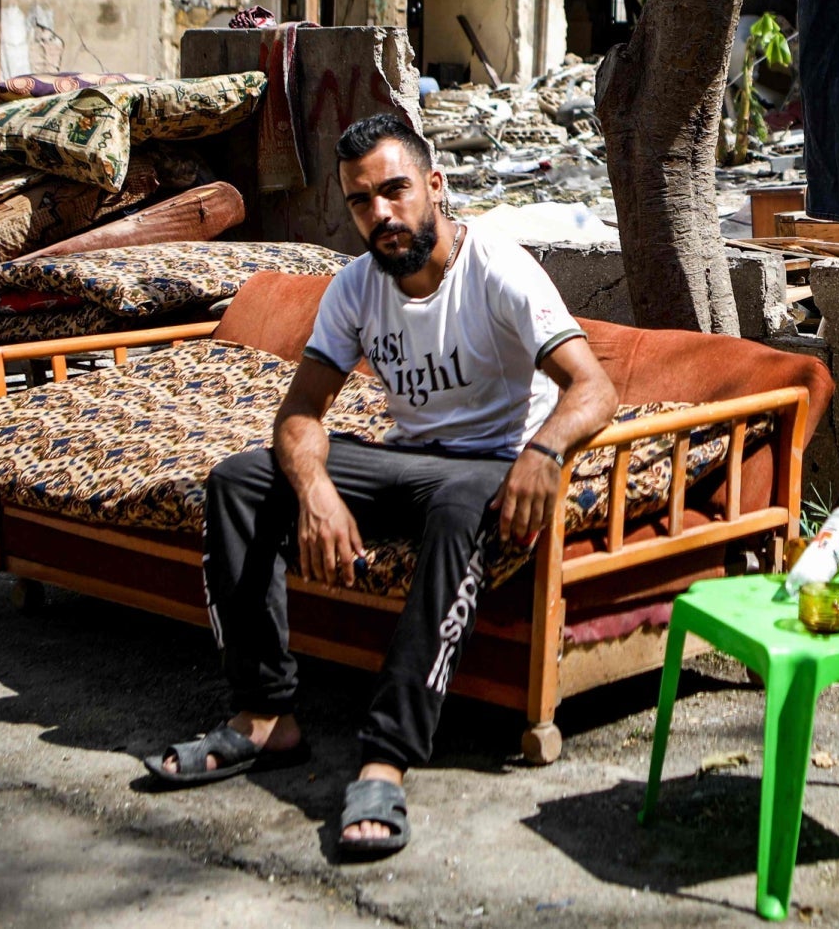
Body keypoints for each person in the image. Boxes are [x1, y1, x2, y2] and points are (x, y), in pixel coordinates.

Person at [142, 110, 618, 861]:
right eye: (362, 201)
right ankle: (265, 715)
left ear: (435, 184)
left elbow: (594, 389)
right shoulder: (358, 285)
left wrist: (546, 451)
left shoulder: (496, 268)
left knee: (464, 506)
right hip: (401, 459)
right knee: (239, 481)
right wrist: (317, 492)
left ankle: (385, 757)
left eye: (395, 190)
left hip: (482, 467)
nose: (382, 214)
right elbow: (300, 413)